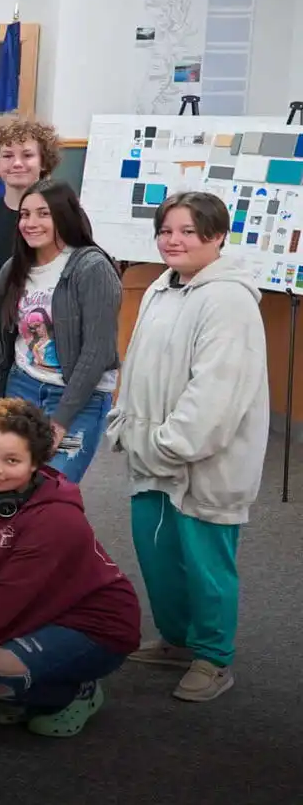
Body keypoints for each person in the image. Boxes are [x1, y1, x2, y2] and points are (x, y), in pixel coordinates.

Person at [108, 190, 268, 704]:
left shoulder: (228, 299)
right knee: (159, 557)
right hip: (151, 451)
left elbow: (216, 391)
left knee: (206, 564)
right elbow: (140, 364)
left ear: (217, 235)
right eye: (166, 230)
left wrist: (170, 443)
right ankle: (177, 640)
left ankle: (213, 657)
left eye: (187, 231)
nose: (173, 240)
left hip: (201, 461)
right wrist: (127, 424)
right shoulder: (163, 285)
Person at [0, 398, 140, 736]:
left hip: (90, 622)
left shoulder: (57, 518)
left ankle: (74, 693)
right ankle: (19, 683)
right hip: (28, 607)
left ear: (36, 464)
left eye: (12, 460)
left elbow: (7, 601)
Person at [0, 180, 121, 483]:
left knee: (53, 486)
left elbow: (98, 351)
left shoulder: (90, 267)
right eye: (25, 214)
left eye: (43, 214)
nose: (31, 223)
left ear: (63, 216)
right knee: (13, 481)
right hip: (22, 387)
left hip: (78, 396)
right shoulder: (12, 269)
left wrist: (62, 419)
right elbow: (6, 340)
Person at [0, 114, 61, 285]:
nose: (17, 163)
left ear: (44, 162)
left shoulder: (63, 217)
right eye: (8, 156)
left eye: (27, 155)